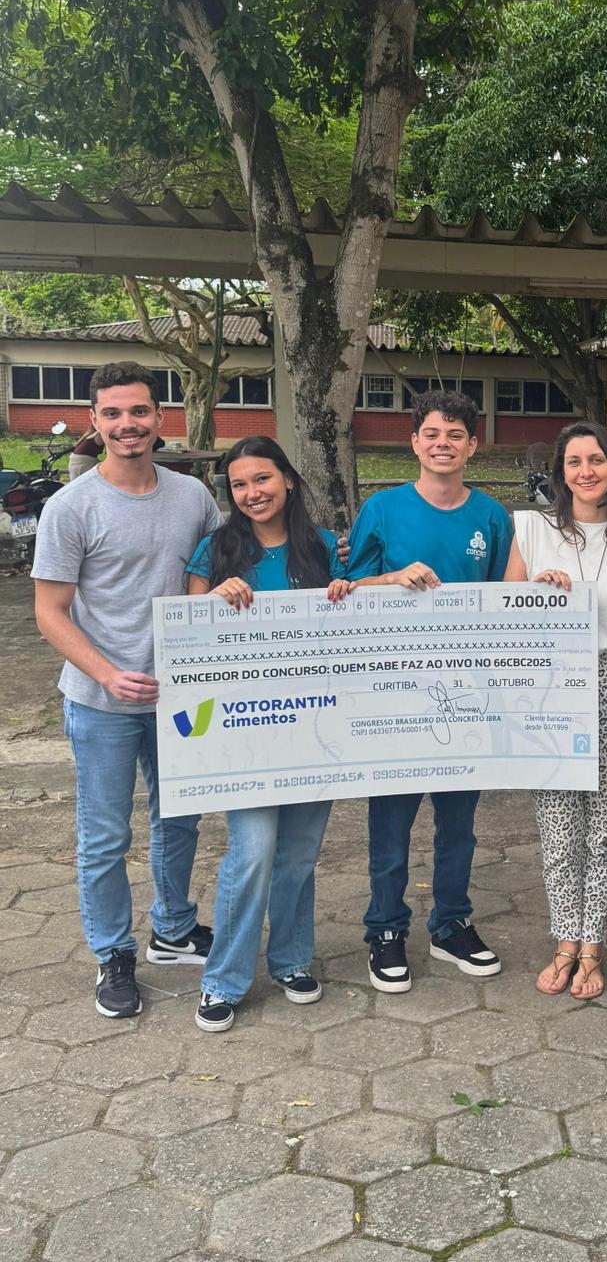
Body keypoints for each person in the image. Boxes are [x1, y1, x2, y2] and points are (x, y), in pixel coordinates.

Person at [32, 361, 221, 1019]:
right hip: (101, 702)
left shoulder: (193, 497)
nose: (126, 424)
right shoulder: (71, 507)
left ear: (159, 418)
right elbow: (50, 612)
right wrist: (107, 672)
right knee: (105, 836)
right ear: (94, 422)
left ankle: (173, 927)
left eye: (138, 411)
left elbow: (216, 577)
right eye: (111, 414)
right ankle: (114, 954)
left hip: (180, 698)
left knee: (180, 819)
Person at [346, 389, 513, 993]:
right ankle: (385, 928)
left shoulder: (493, 517)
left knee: (458, 822)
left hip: (463, 692)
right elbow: (346, 589)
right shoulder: (384, 509)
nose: (444, 444)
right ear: (414, 441)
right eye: (432, 434)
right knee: (390, 822)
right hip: (393, 693)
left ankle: (451, 924)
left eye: (456, 435)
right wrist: (390, 577)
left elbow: (505, 599)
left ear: (474, 445)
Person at [184, 438, 350, 1031]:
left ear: (288, 480)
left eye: (263, 479)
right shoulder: (218, 548)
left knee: (299, 856)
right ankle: (223, 979)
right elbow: (187, 638)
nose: (252, 493)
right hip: (245, 734)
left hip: (316, 729)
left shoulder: (326, 548)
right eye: (239, 485)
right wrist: (212, 599)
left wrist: (350, 593)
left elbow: (358, 619)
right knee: (251, 855)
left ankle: (291, 961)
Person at [505, 421, 607, 1000]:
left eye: (597, 460)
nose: (586, 471)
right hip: (548, 686)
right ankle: (563, 938)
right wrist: (534, 595)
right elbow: (504, 618)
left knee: (601, 826)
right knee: (556, 823)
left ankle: (591, 944)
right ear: (561, 472)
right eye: (574, 462)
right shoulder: (531, 529)